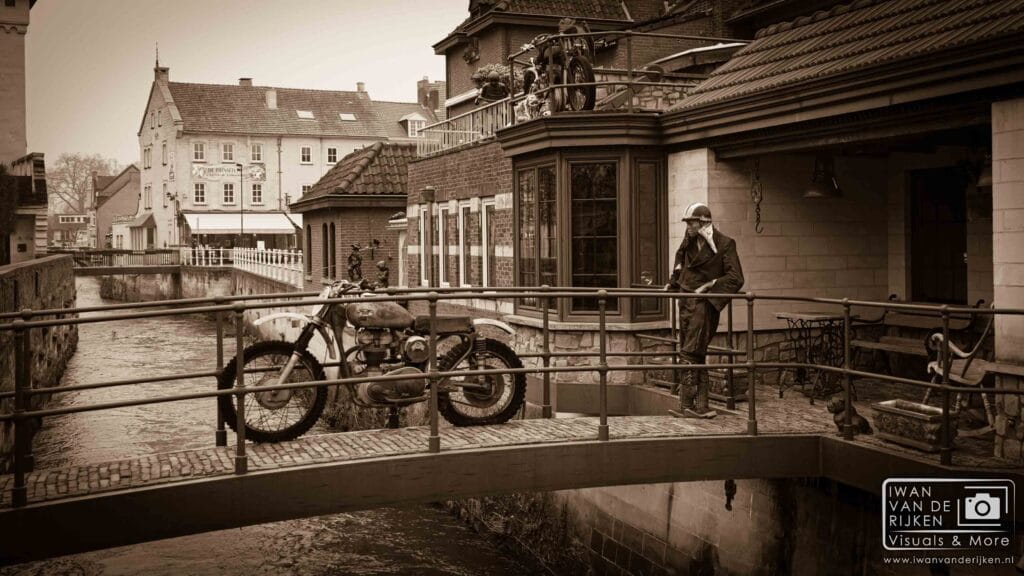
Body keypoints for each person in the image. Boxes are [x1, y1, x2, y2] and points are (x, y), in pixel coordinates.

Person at [665, 202, 744, 418]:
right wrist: (673, 283)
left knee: (690, 353)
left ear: (703, 223)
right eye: (687, 223)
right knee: (694, 354)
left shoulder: (725, 243)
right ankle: (700, 407)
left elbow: (736, 278)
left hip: (705, 305)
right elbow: (680, 262)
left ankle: (688, 405)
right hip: (686, 302)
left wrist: (711, 285)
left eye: (691, 222)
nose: (688, 226)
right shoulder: (688, 241)